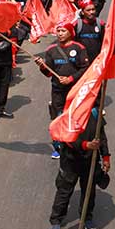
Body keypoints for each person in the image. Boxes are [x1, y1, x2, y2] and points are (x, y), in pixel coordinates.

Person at [48, 105, 110, 229]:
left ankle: (87, 218)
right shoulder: (68, 114)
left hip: (90, 160)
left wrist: (106, 157)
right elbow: (68, 139)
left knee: (89, 190)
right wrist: (85, 145)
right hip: (70, 161)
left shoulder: (94, 113)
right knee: (64, 190)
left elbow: (102, 137)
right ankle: (56, 221)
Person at [34, 22, 90, 159]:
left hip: (75, 90)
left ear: (70, 32)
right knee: (58, 117)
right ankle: (58, 147)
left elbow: (85, 69)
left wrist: (71, 79)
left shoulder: (79, 48)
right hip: (58, 91)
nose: (60, 34)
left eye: (63, 31)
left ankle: (77, 142)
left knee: (75, 116)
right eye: (58, 31)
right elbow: (48, 73)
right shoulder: (51, 50)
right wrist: (42, 66)